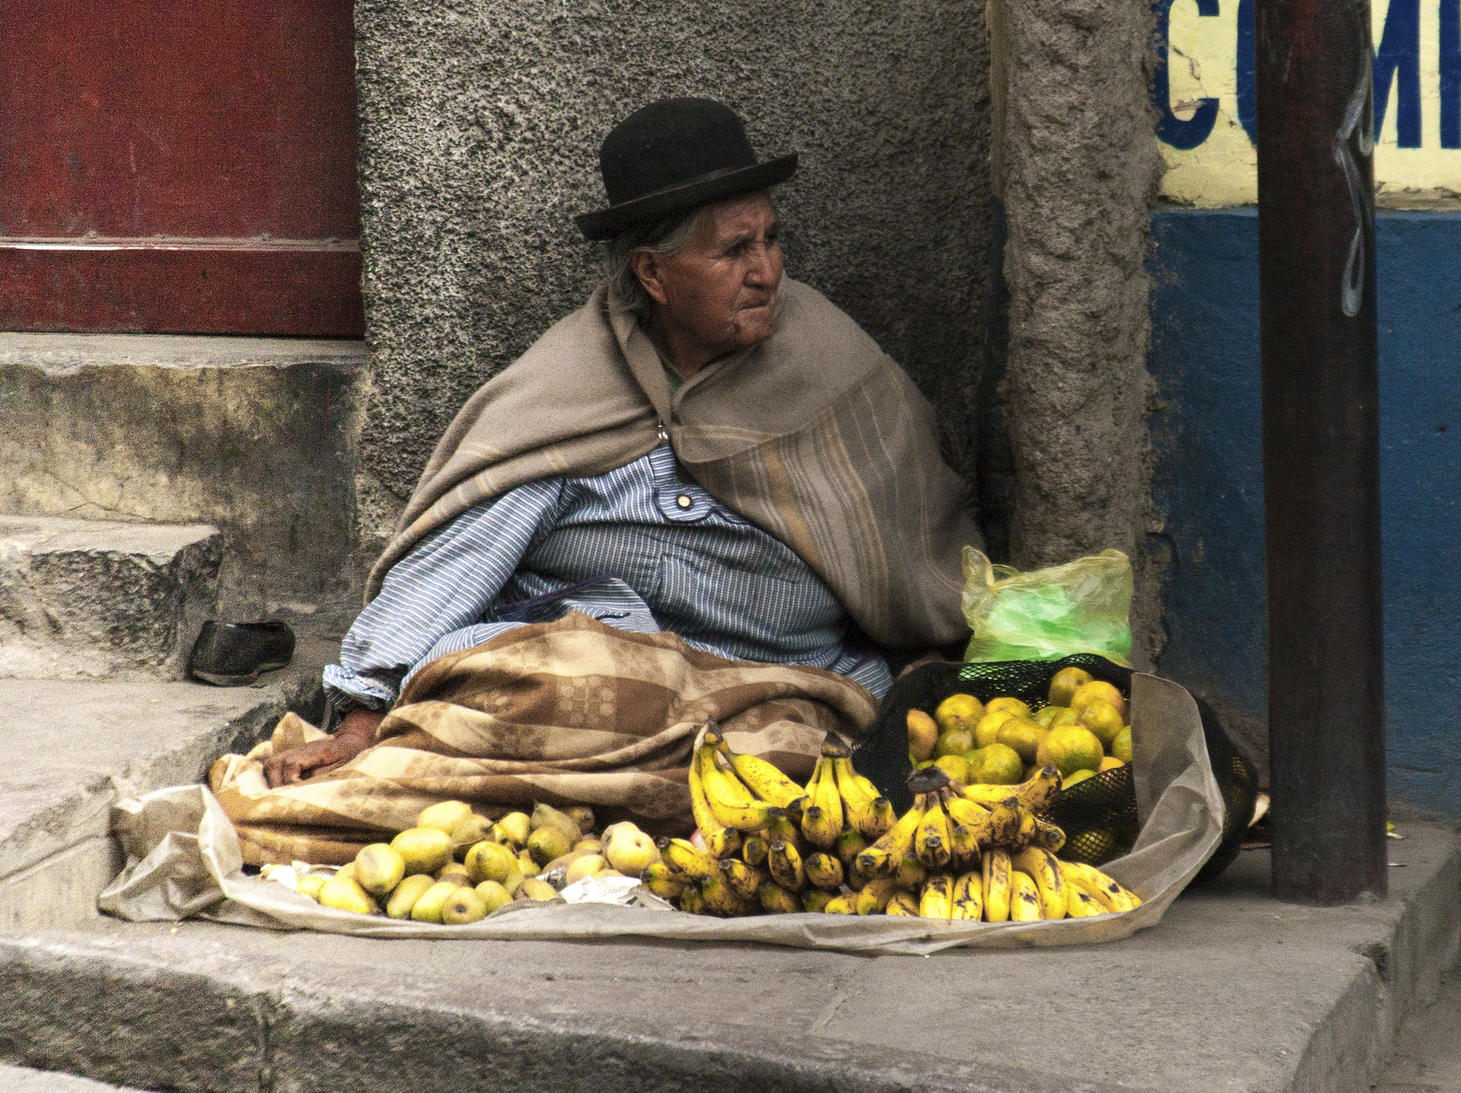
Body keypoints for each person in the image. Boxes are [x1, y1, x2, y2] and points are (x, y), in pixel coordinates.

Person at [264, 97, 978, 788]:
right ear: (652, 274)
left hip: (779, 685)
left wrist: (925, 664)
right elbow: (457, 557)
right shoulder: (569, 389)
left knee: (822, 738)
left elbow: (909, 562)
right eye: (734, 249)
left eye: (771, 238)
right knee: (496, 685)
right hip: (589, 685)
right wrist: (359, 721)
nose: (766, 270)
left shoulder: (833, 369)